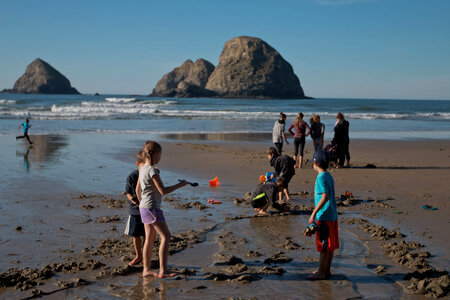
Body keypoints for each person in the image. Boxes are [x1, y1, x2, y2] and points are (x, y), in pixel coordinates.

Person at [136, 140, 188, 278]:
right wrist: (180, 185)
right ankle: (163, 270)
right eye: (160, 154)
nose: (160, 157)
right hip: (152, 208)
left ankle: (146, 270)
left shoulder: (142, 169)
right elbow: (163, 190)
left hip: (144, 208)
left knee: (149, 238)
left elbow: (137, 189)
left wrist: (142, 203)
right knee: (166, 236)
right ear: (152, 154)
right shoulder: (152, 170)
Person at [308, 150, 339, 280]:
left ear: (315, 163)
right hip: (332, 215)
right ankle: (326, 270)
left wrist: (314, 213)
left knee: (323, 246)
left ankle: (321, 272)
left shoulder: (320, 178)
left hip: (324, 216)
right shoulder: (328, 175)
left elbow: (324, 197)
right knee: (330, 246)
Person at [124, 150, 146, 266]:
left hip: (147, 208)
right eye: (143, 165)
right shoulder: (132, 176)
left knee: (146, 235)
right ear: (138, 164)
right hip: (135, 210)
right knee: (135, 234)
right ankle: (138, 256)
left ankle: (146, 255)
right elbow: (127, 192)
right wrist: (132, 199)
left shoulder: (150, 174)